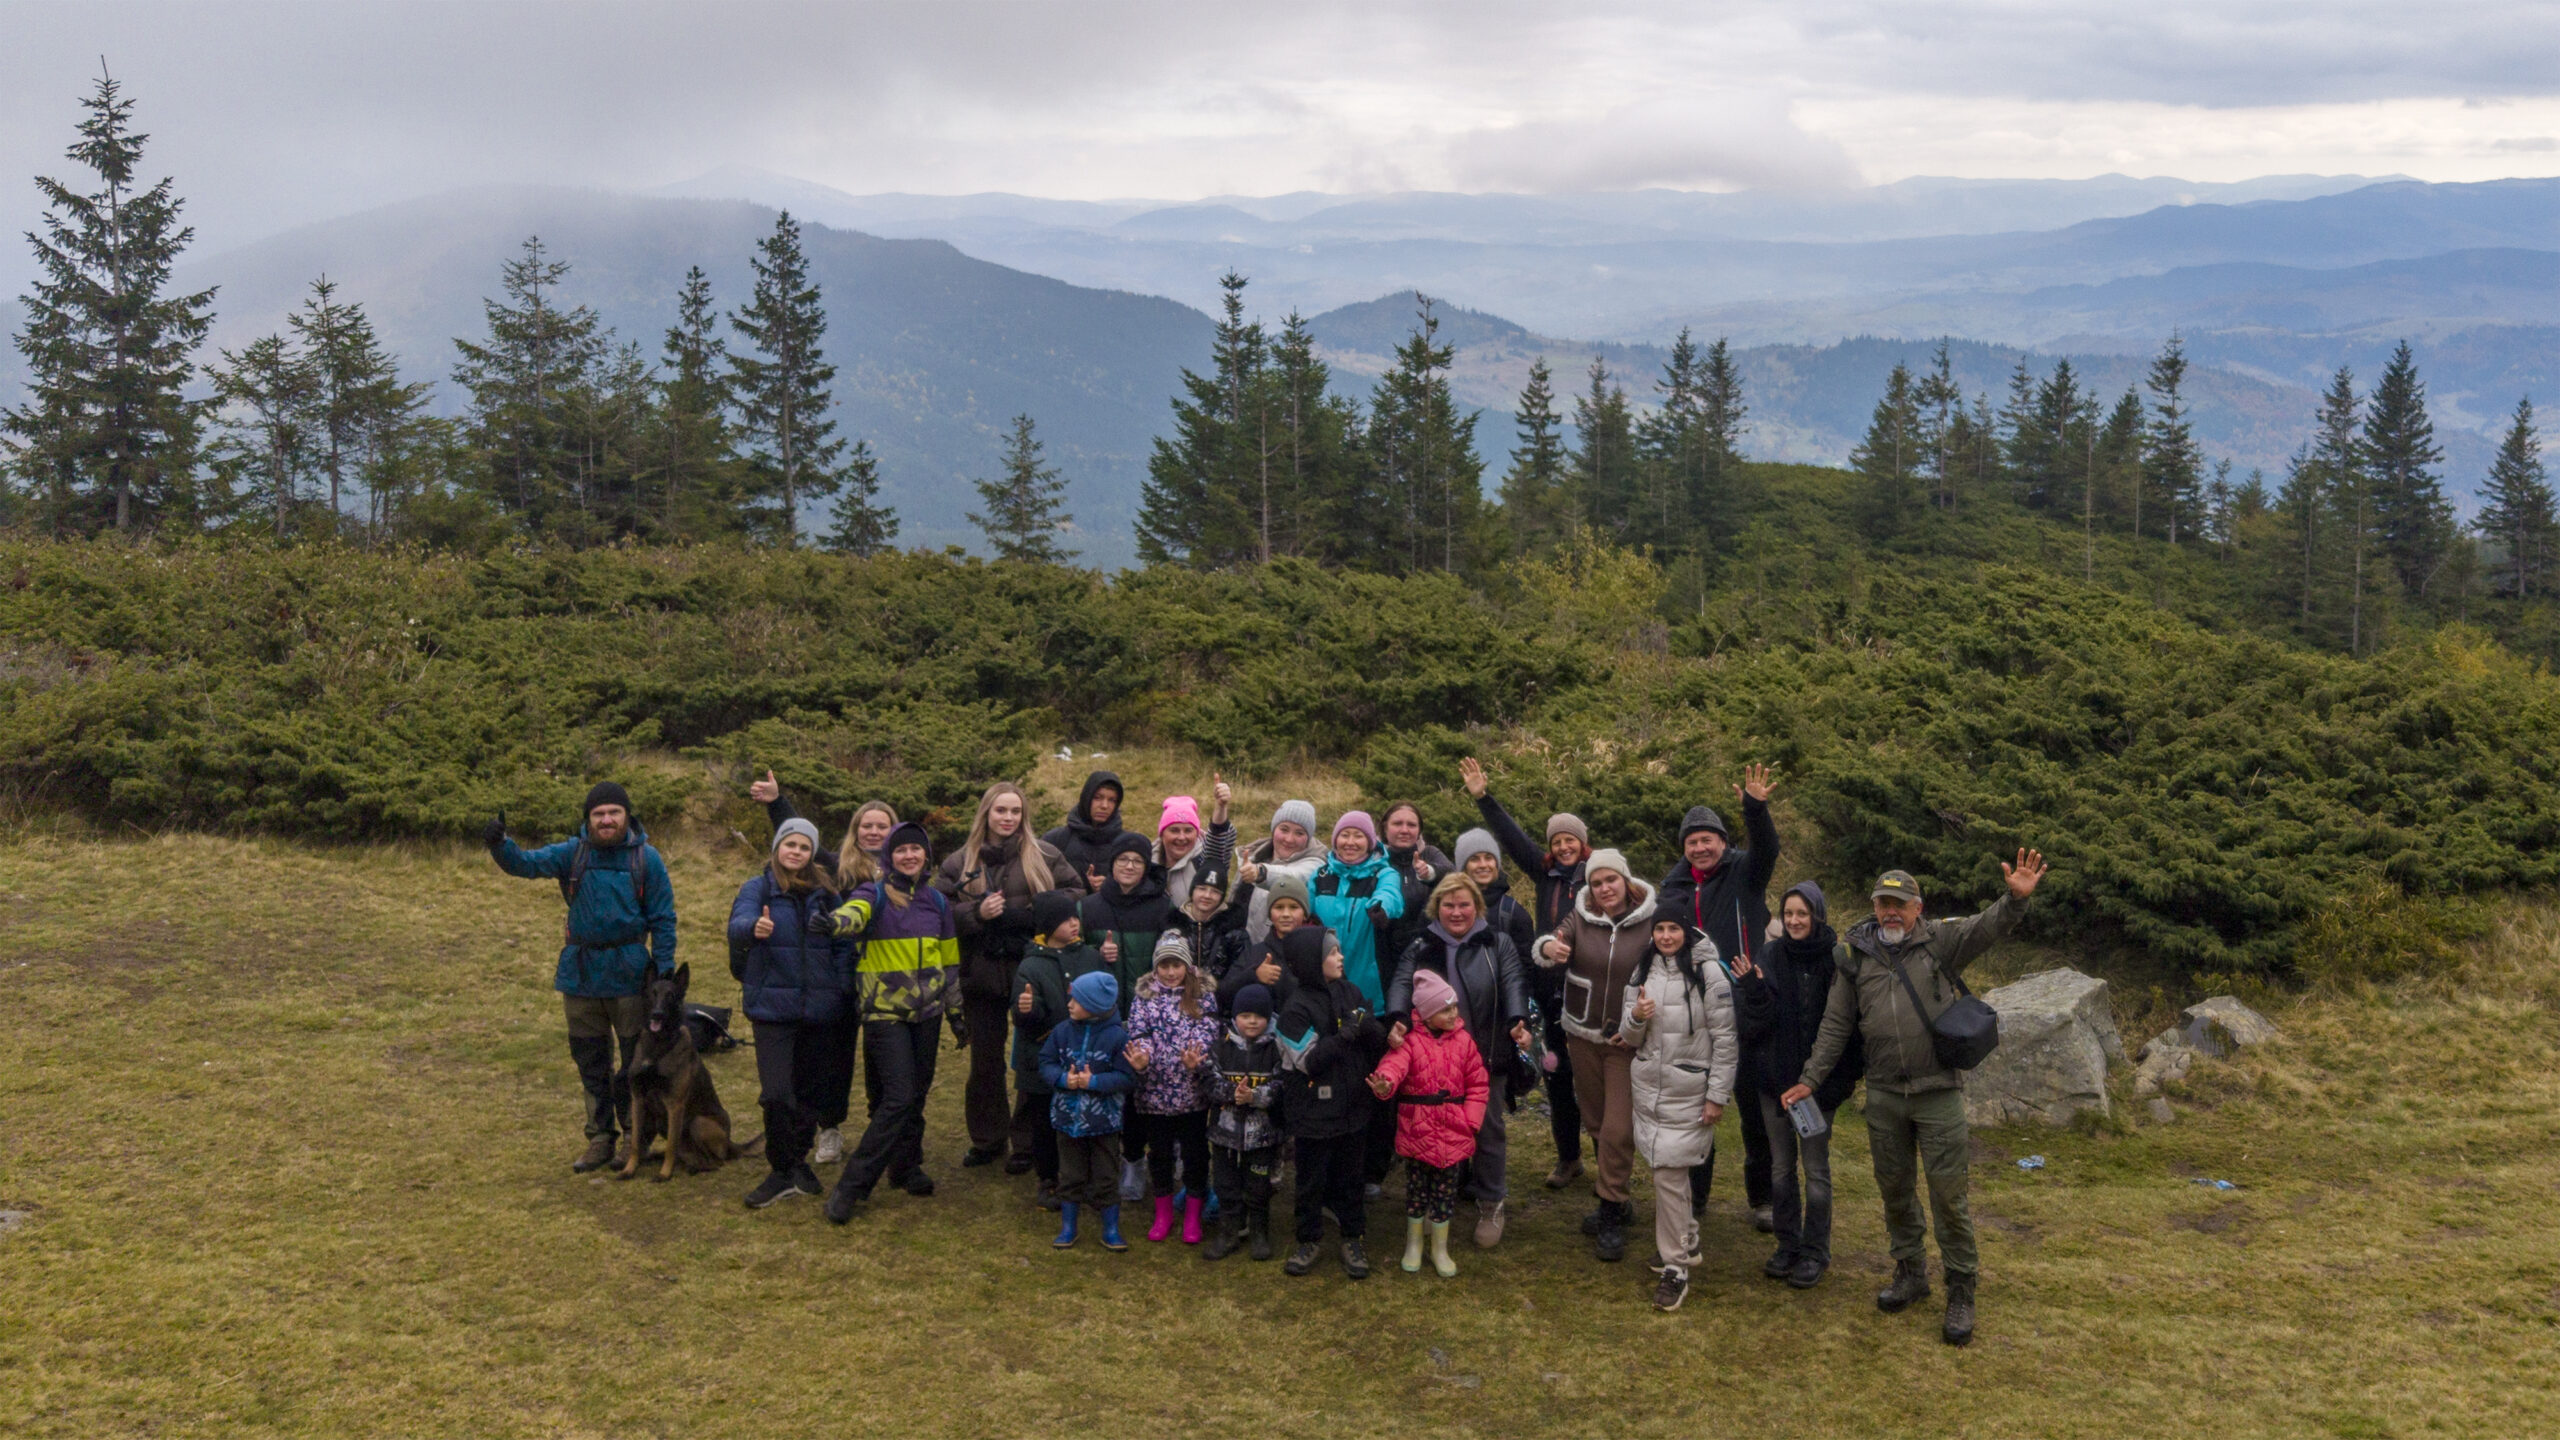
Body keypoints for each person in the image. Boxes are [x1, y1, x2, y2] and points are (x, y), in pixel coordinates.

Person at [1783, 850, 2049, 1348]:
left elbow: (1987, 927)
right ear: (1874, 907)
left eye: (1899, 904)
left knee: (1949, 1196)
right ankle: (1909, 1272)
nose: (1890, 912)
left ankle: (1961, 1289)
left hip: (1937, 1093)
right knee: (1895, 1190)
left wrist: (2014, 900)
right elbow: (1836, 1025)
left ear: (1917, 908)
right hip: (1884, 1095)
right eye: (1883, 903)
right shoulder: (1854, 956)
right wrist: (1811, 1079)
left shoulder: (1940, 941)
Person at [484, 782, 677, 1174]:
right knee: (589, 1059)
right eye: (598, 814)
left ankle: (634, 1137)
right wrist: (499, 844)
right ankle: (600, 1138)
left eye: (614, 812)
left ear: (627, 816)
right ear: (588, 819)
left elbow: (663, 918)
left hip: (630, 974)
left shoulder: (647, 859)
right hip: (580, 973)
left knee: (633, 1062)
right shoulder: (572, 853)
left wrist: (664, 971)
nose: (606, 820)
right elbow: (525, 864)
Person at [746, 769, 899, 1167]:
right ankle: (829, 1127)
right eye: (866, 825)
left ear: (894, 830)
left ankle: (886, 1129)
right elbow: (798, 840)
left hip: (891, 977)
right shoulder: (838, 868)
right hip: (841, 975)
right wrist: (777, 803)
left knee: (885, 1058)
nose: (874, 832)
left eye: (882, 826)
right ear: (855, 830)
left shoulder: (906, 866)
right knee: (836, 1057)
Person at [1654, 763, 1781, 1231]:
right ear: (1684, 848)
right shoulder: (1673, 887)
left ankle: (1762, 1198)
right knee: (1696, 1111)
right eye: (1692, 842)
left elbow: (1767, 848)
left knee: (1752, 1110)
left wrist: (1755, 809)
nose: (1700, 848)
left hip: (1744, 1003)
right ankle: (1696, 1197)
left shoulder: (1746, 872)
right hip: (1695, 1012)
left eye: (1708, 839)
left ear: (1723, 842)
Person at [1458, 755, 1591, 1189]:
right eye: (1558, 841)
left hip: (1592, 993)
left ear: (1583, 843)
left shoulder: (1599, 874)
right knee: (1557, 1074)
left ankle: (1609, 1162)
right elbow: (1512, 839)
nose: (1565, 847)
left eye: (1571, 840)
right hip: (1552, 993)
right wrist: (1484, 798)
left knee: (1594, 1081)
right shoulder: (1545, 872)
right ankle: (1569, 1158)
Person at [819, 821, 962, 1222]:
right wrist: (835, 923)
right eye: (901, 850)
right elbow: (854, 913)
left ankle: (905, 1166)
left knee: (915, 1095)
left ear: (926, 855)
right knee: (898, 1097)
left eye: (916, 849)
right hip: (884, 1013)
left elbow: (950, 962)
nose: (909, 855)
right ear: (889, 857)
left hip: (928, 1013)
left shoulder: (938, 902)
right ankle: (852, 1187)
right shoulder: (875, 893)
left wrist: (956, 1013)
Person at [936, 781, 1082, 1173]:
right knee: (985, 1062)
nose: (1008, 818)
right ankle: (988, 1139)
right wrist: (975, 914)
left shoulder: (1045, 854)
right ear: (986, 813)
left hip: (1033, 970)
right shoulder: (959, 862)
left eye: (1015, 811)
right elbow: (938, 910)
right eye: (1001, 810)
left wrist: (1035, 914)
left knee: (1034, 1057)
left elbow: (1075, 891)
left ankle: (1028, 1141)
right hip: (980, 974)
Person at [1385, 873, 1533, 1248]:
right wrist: (1398, 1018)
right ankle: (1436, 1197)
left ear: (1477, 907)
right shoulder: (1422, 944)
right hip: (1433, 1055)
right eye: (1448, 905)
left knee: (1487, 1127)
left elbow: (1514, 981)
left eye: (1464, 904)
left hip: (1484, 1051)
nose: (1456, 912)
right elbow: (1402, 981)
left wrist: (1518, 1020)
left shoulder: (1496, 942)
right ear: (1437, 908)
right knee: (1434, 1126)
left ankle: (1491, 1201)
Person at [1734, 882, 1861, 1289]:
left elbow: (1846, 1029)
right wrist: (1752, 990)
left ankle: (1815, 1251)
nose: (1793, 921)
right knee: (1781, 1168)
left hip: (1817, 1089)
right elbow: (1756, 1024)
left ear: (1817, 916)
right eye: (1788, 913)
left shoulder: (1837, 959)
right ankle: (1787, 1245)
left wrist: (1830, 1084)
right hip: (1774, 1085)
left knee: (1816, 1170)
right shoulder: (1770, 955)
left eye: (1802, 913)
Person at [1533, 846, 1657, 1263]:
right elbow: (1551, 941)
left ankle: (1609, 1210)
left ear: (1626, 880)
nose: (1604, 888)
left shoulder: (1650, 920)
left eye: (1611, 880)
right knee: (1597, 1122)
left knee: (1619, 1128)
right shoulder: (1580, 914)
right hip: (1581, 1034)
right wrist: (1549, 950)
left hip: (1625, 1041)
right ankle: (1617, 1197)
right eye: (1597, 882)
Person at [727, 818, 857, 1209]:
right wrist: (754, 927)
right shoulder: (757, 888)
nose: (796, 852)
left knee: (810, 1093)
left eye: (804, 847)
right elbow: (736, 925)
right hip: (772, 1008)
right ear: (777, 848)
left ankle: (795, 1163)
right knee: (777, 1094)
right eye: (790, 845)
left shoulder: (827, 893)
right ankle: (781, 1169)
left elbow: (844, 944)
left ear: (812, 853)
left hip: (820, 1009)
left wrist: (840, 987)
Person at [1620, 915, 1738, 1312]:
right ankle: (1686, 1236)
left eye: (1674, 929)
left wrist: (1717, 1095)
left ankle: (1676, 1267)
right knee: (1668, 1170)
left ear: (1687, 933)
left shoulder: (1709, 973)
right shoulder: (1641, 969)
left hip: (1689, 1091)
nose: (1666, 936)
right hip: (1649, 1092)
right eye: (1660, 929)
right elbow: (1630, 1036)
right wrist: (1637, 1016)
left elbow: (1725, 1040)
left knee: (1668, 1175)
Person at [1275, 926, 1389, 1280]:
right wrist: (1346, 1034)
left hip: (1353, 1106)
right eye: (1332, 953)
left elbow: (1375, 1041)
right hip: (1312, 1112)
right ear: (1312, 961)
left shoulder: (1349, 991)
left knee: (1352, 1178)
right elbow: (1309, 1061)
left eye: (1339, 951)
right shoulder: (1294, 1009)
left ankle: (1353, 1237)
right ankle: (1308, 1239)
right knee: (1310, 1180)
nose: (1340, 957)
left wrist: (1369, 1027)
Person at [1366, 969, 1490, 1278]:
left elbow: (1478, 1084)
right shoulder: (1409, 1042)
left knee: (1445, 1193)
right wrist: (1385, 1083)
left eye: (1454, 1007)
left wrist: (1470, 1122)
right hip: (1417, 1132)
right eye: (1445, 1009)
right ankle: (1414, 1243)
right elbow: (1393, 1066)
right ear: (1426, 1013)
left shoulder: (1465, 1042)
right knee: (1416, 1191)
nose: (1453, 1014)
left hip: (1453, 1132)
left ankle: (1439, 1247)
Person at [1309, 810, 1409, 1191]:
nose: (1350, 843)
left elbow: (1392, 896)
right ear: (1334, 839)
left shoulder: (1382, 873)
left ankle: (1372, 1169)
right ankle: (1331, 1166)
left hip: (1370, 1000)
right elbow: (1299, 901)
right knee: (1332, 1082)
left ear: (1371, 842)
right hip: (1326, 995)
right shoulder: (1321, 875)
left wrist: (1381, 907)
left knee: (1373, 1084)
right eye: (1344, 835)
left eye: (1358, 836)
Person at [1124, 934, 1221, 1244]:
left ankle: (1193, 1213)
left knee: (1195, 1154)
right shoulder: (1144, 996)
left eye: (1176, 965)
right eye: (1164, 966)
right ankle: (1163, 1212)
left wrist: (1196, 1056)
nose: (1169, 972)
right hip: (1154, 1093)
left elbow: (1208, 1029)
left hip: (1192, 1093)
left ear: (1187, 966)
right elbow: (1139, 1031)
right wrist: (1142, 1057)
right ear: (1155, 967)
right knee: (1160, 1154)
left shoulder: (1202, 995)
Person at [1014, 890, 1105, 1210]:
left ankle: (1088, 1178)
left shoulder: (1090, 956)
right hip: (1044, 1058)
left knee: (1086, 1116)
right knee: (1044, 1121)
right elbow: (1023, 1019)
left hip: (1086, 1054)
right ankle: (1048, 1178)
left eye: (1075, 917)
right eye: (1065, 920)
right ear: (1048, 925)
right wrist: (1027, 1009)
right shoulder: (1031, 965)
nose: (1074, 924)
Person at [1039, 970, 1135, 1251]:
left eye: (1076, 1000)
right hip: (1066, 1120)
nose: (1069, 1004)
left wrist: (1095, 1082)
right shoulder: (1061, 1032)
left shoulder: (1118, 1038)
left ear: (1094, 1005)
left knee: (1106, 1176)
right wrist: (1061, 1079)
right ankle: (1068, 1227)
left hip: (1104, 1122)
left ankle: (1111, 1229)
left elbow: (1127, 1078)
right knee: (1070, 1175)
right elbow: (1045, 1062)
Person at [1204, 983, 1284, 1262]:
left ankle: (1259, 1232)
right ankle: (1228, 1232)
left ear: (1268, 1018)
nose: (1252, 1021)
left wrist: (1255, 1096)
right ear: (1235, 1017)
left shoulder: (1276, 1048)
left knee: (1259, 1187)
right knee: (1225, 1185)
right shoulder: (1220, 1046)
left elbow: (1281, 1085)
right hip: (1224, 1134)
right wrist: (1233, 1094)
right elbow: (1209, 1081)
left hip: (1263, 1136)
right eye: (1245, 1015)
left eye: (1259, 1016)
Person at [1211, 870, 1326, 1020]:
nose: (1286, 914)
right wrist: (1253, 975)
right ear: (1270, 914)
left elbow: (1338, 995)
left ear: (1305, 913)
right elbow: (1222, 995)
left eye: (1293, 907)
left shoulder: (1321, 951)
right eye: (1279, 907)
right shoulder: (1256, 953)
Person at [1081, 831, 1173, 1013]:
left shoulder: (1163, 907)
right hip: (1102, 1009)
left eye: (1138, 861)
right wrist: (1098, 953)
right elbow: (1074, 954)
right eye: (1122, 859)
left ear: (1146, 867)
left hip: (1150, 1009)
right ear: (1112, 863)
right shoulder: (1086, 907)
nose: (1129, 866)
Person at [1376, 801, 1453, 973]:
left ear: (1419, 831)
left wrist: (1430, 873)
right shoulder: (1374, 859)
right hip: (1383, 956)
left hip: (1428, 954)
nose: (1405, 830)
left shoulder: (1430, 854)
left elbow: (1454, 876)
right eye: (1397, 823)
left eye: (1411, 825)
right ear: (1385, 828)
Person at [1237, 799, 1325, 942]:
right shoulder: (1254, 855)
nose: (1289, 839)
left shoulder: (1316, 864)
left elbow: (1292, 877)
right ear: (1273, 829)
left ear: (1308, 838)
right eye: (1284, 829)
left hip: (1282, 950)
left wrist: (1261, 873)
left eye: (1299, 833)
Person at [1154, 777, 1236, 905]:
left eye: (1188, 831)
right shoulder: (1146, 861)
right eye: (1174, 830)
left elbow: (1219, 836)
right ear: (1162, 834)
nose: (1182, 837)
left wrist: (1221, 806)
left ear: (1197, 834)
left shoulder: (1205, 860)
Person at [1042, 769, 1127, 891]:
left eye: (1112, 800)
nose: (1104, 806)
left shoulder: (1126, 843)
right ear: (1086, 798)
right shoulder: (1055, 839)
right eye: (1097, 798)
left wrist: (1111, 887)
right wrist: (1081, 885)